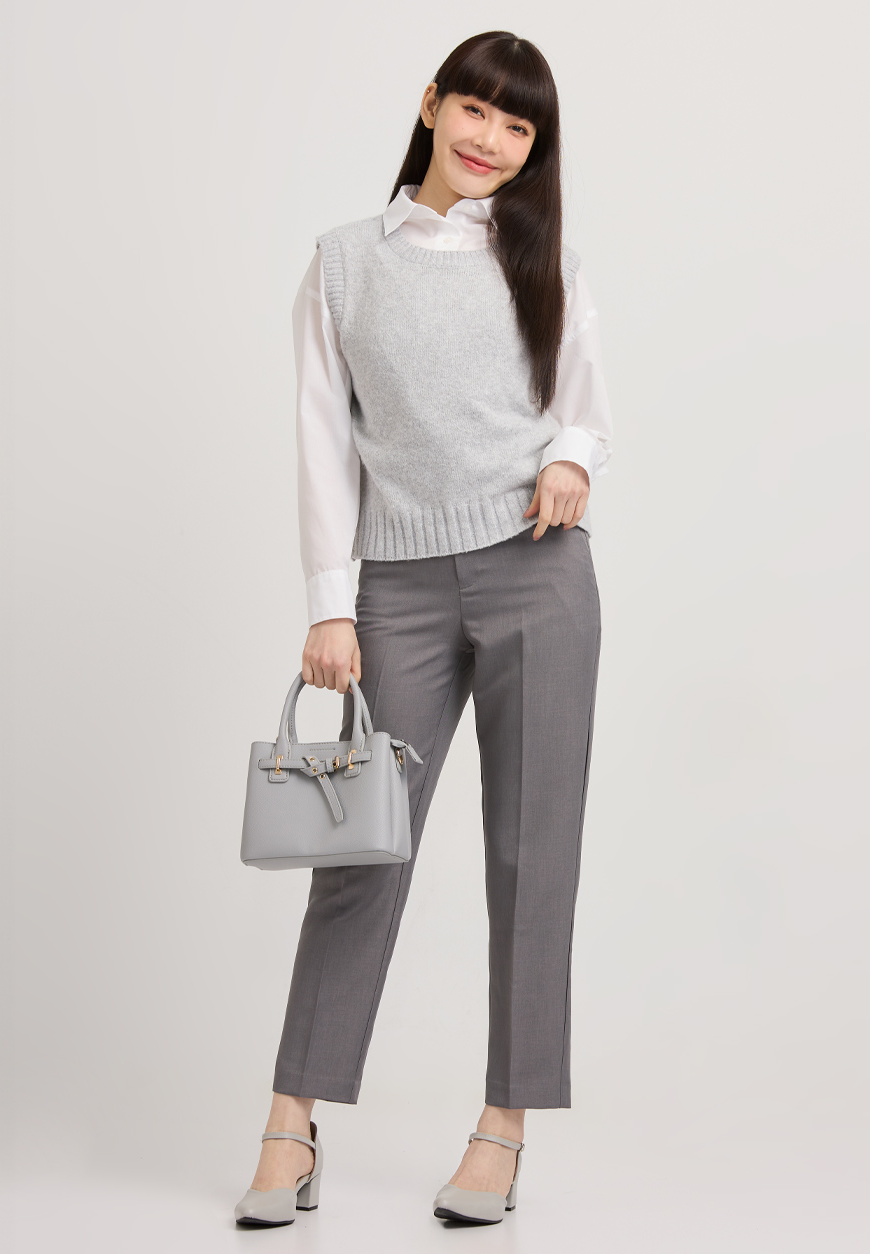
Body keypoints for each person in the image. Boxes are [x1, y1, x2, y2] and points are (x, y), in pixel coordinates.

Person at [234, 29, 612, 1228]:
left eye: (518, 126)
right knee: (360, 856)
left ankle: (502, 1129)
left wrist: (570, 460)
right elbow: (319, 439)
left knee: (531, 860)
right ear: (432, 103)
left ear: (534, 148)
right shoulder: (344, 264)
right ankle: (289, 1125)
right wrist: (329, 604)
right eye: (476, 110)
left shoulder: (540, 261)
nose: (490, 140)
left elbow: (582, 407)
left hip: (539, 575)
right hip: (394, 590)